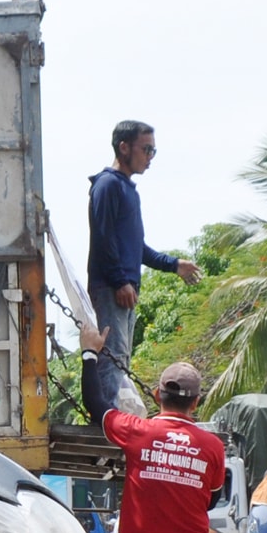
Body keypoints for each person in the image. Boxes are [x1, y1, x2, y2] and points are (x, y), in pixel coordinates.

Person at [77, 321, 226, 533]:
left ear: (157, 394)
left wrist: (89, 353)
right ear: (196, 402)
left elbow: (97, 405)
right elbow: (210, 501)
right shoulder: (213, 446)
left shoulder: (138, 432)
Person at [85, 120, 199, 379]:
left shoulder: (128, 190)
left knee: (121, 358)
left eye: (153, 151)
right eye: (146, 150)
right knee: (113, 358)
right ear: (124, 147)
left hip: (125, 288)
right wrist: (120, 281)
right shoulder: (108, 185)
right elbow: (104, 238)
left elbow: (137, 248)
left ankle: (116, 414)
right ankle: (108, 417)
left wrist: (173, 264)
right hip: (112, 288)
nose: (150, 157)